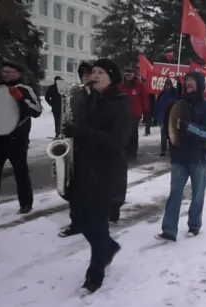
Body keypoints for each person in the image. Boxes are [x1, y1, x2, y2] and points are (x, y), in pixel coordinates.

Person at [62, 59, 132, 293]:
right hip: (83, 168)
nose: (95, 75)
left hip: (105, 172)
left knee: (98, 223)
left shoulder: (121, 103)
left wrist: (82, 132)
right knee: (79, 218)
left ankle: (95, 274)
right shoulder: (89, 98)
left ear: (112, 76)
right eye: (93, 72)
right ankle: (109, 247)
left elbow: (117, 142)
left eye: (101, 72)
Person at [156, 71, 206, 242]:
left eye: (192, 80)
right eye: (187, 80)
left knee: (197, 194)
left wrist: (188, 127)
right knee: (175, 193)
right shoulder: (178, 104)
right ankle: (169, 230)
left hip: (199, 157)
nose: (189, 83)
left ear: (199, 83)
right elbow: (170, 129)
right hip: (179, 156)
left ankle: (194, 225)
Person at [0, 61, 42, 218]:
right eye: (4, 72)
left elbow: (37, 111)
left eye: (9, 72)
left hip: (18, 138)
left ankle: (26, 204)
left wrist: (21, 98)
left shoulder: (25, 89)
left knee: (21, 172)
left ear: (18, 74)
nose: (5, 74)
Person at [58, 61, 93, 237]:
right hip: (75, 144)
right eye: (83, 74)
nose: (85, 77)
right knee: (74, 186)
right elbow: (67, 114)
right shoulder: (74, 93)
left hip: (93, 144)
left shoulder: (99, 95)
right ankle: (76, 222)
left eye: (88, 73)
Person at [119, 67, 149, 161]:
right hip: (123, 113)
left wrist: (146, 110)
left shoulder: (139, 85)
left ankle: (132, 153)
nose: (128, 76)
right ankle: (125, 151)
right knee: (125, 132)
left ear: (134, 75)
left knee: (132, 132)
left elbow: (144, 98)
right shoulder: (121, 86)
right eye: (126, 74)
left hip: (135, 113)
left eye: (130, 74)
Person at [155, 78, 180, 157]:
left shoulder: (175, 93)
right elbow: (158, 107)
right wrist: (158, 119)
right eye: (166, 85)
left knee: (172, 133)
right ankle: (163, 149)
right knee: (163, 134)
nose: (167, 87)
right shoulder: (161, 94)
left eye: (169, 85)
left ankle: (173, 149)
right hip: (163, 116)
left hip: (173, 116)